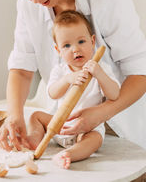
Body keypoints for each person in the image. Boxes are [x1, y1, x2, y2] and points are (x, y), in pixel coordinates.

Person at [0, 0, 146, 174]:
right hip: (67, 125)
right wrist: (13, 116)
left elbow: (140, 73)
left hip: (119, 119)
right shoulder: (28, 5)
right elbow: (22, 67)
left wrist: (100, 113)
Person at [27, 10, 120, 169]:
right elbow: (52, 93)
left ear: (92, 41)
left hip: (85, 128)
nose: (75, 49)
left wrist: (99, 74)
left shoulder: (100, 68)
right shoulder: (61, 70)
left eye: (81, 42)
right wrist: (67, 79)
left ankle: (69, 154)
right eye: (67, 45)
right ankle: (33, 143)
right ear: (58, 50)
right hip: (60, 124)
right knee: (35, 116)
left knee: (95, 139)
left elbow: (115, 94)